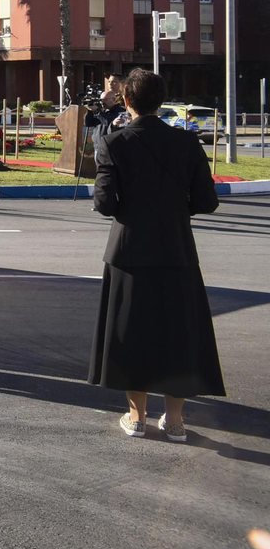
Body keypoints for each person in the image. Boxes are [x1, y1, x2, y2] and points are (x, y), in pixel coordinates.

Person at [89, 68, 224, 442]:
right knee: (177, 333)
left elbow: (104, 204)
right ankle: (176, 421)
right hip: (176, 250)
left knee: (131, 333)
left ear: (127, 100)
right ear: (161, 102)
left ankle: (137, 417)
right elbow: (206, 202)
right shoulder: (187, 144)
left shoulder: (114, 143)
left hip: (128, 251)